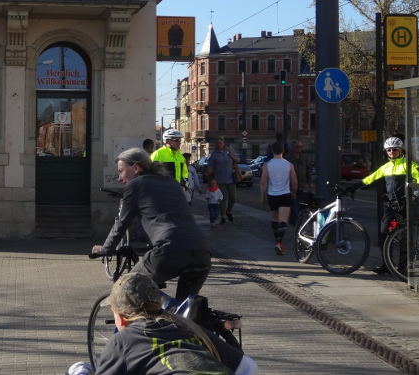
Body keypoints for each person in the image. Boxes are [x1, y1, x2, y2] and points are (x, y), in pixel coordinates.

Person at [91, 148, 212, 300]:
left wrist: (106, 249)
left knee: (126, 288)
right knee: (185, 309)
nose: (120, 178)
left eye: (121, 171)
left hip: (169, 250)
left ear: (136, 168)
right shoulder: (173, 182)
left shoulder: (135, 185)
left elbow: (122, 223)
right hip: (202, 251)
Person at [87, 273, 258, 375]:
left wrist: (79, 370)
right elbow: (249, 366)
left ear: (121, 317)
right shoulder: (189, 326)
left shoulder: (123, 340)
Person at [348, 136, 419, 274]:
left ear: (401, 150)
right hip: (391, 207)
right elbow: (369, 180)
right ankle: (387, 265)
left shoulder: (410, 165)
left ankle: (403, 269)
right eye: (389, 150)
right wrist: (352, 188)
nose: (392, 152)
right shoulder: (386, 167)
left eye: (395, 149)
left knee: (404, 238)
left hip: (405, 206)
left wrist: (416, 195)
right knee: (384, 234)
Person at [260, 142, 297, 255]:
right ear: (283, 151)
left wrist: (262, 196)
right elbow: (294, 181)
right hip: (285, 194)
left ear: (272, 151)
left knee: (275, 219)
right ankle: (279, 242)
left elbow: (263, 182)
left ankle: (277, 241)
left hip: (272, 195)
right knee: (283, 221)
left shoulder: (267, 165)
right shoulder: (289, 165)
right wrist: (294, 192)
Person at [204, 137, 240, 225]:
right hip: (219, 179)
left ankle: (229, 211)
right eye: (217, 143)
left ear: (223, 143)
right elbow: (211, 165)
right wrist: (209, 171)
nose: (219, 145)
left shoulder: (230, 150)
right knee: (222, 198)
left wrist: (232, 157)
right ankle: (223, 216)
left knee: (232, 197)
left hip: (230, 178)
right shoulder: (214, 154)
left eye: (220, 143)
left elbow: (238, 160)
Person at [285, 140, 312, 225]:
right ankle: (296, 220)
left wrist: (310, 181)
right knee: (294, 201)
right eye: (297, 147)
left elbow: (308, 170)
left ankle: (293, 219)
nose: (299, 149)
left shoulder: (304, 158)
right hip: (291, 184)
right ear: (293, 147)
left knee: (299, 202)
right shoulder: (288, 158)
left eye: (300, 147)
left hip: (301, 183)